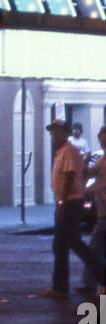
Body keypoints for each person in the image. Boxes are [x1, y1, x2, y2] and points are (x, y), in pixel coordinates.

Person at [40, 118, 102, 299]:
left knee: (75, 243)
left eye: (57, 132)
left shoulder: (69, 151)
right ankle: (59, 287)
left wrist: (61, 203)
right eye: (52, 132)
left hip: (69, 203)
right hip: (67, 202)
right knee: (60, 245)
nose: (53, 135)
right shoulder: (62, 151)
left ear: (65, 133)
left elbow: (69, 176)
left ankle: (102, 274)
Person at [86, 124, 106, 296]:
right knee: (96, 248)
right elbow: (93, 171)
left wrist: (83, 192)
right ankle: (90, 282)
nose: (102, 145)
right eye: (101, 141)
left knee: (94, 248)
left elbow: (100, 183)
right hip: (102, 212)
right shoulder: (102, 159)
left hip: (105, 214)